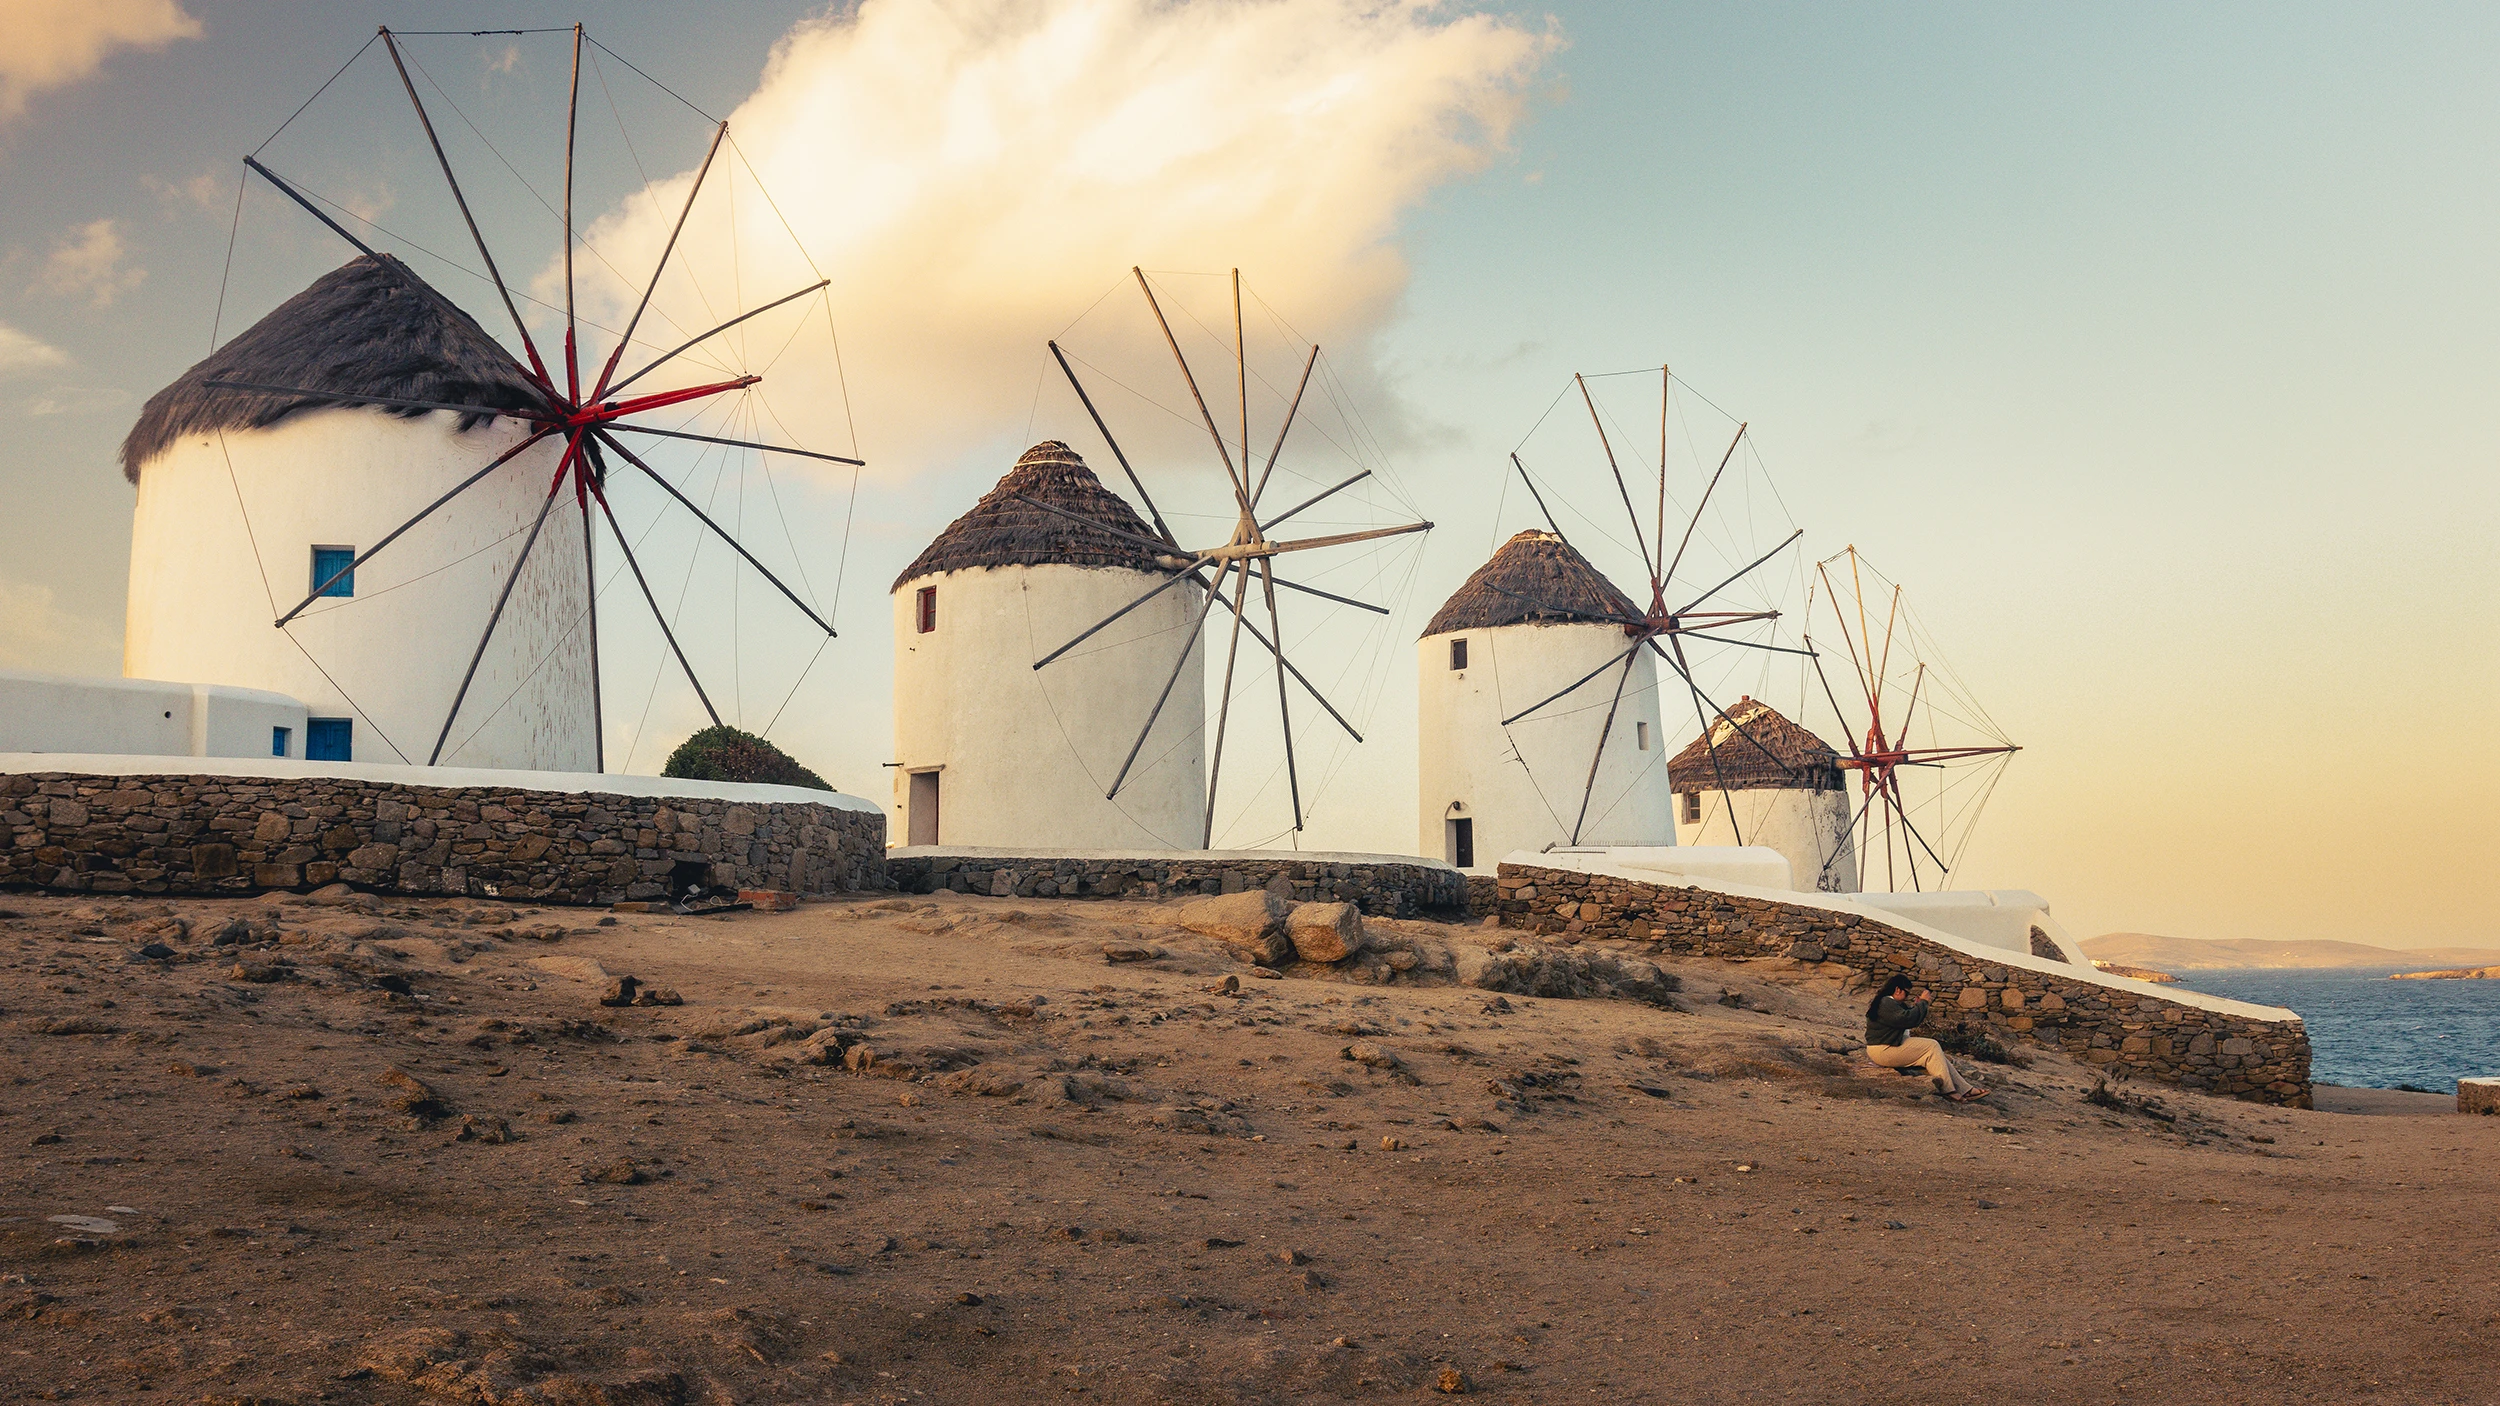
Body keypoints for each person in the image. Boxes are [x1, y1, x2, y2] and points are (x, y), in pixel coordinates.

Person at [1863, 973, 1987, 1101]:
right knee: (1932, 1045)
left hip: (1886, 1047)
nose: (1907, 997)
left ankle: (1965, 1089)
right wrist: (1923, 1002)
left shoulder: (1888, 1003)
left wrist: (1918, 1006)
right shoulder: (1886, 1002)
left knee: (1938, 1056)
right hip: (1883, 1050)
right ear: (1897, 989)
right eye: (1907, 993)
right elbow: (1906, 1019)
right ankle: (1948, 1090)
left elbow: (1906, 1017)